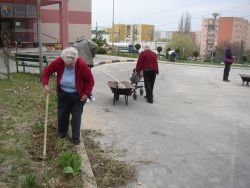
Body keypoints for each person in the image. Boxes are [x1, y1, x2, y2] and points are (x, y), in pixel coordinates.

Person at [42, 47, 94, 145]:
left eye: (71, 64)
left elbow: (90, 81)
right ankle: (62, 133)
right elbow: (46, 72)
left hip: (78, 96)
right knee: (62, 115)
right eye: (66, 64)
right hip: (63, 94)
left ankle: (75, 137)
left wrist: (86, 94)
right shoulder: (59, 61)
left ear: (75, 59)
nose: (69, 66)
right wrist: (45, 84)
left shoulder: (82, 64)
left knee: (76, 116)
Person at [73, 36, 98, 102]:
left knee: (80, 79)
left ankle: (82, 94)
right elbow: (95, 46)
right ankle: (88, 95)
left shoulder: (75, 45)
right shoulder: (87, 41)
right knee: (88, 80)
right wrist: (92, 55)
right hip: (87, 63)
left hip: (78, 64)